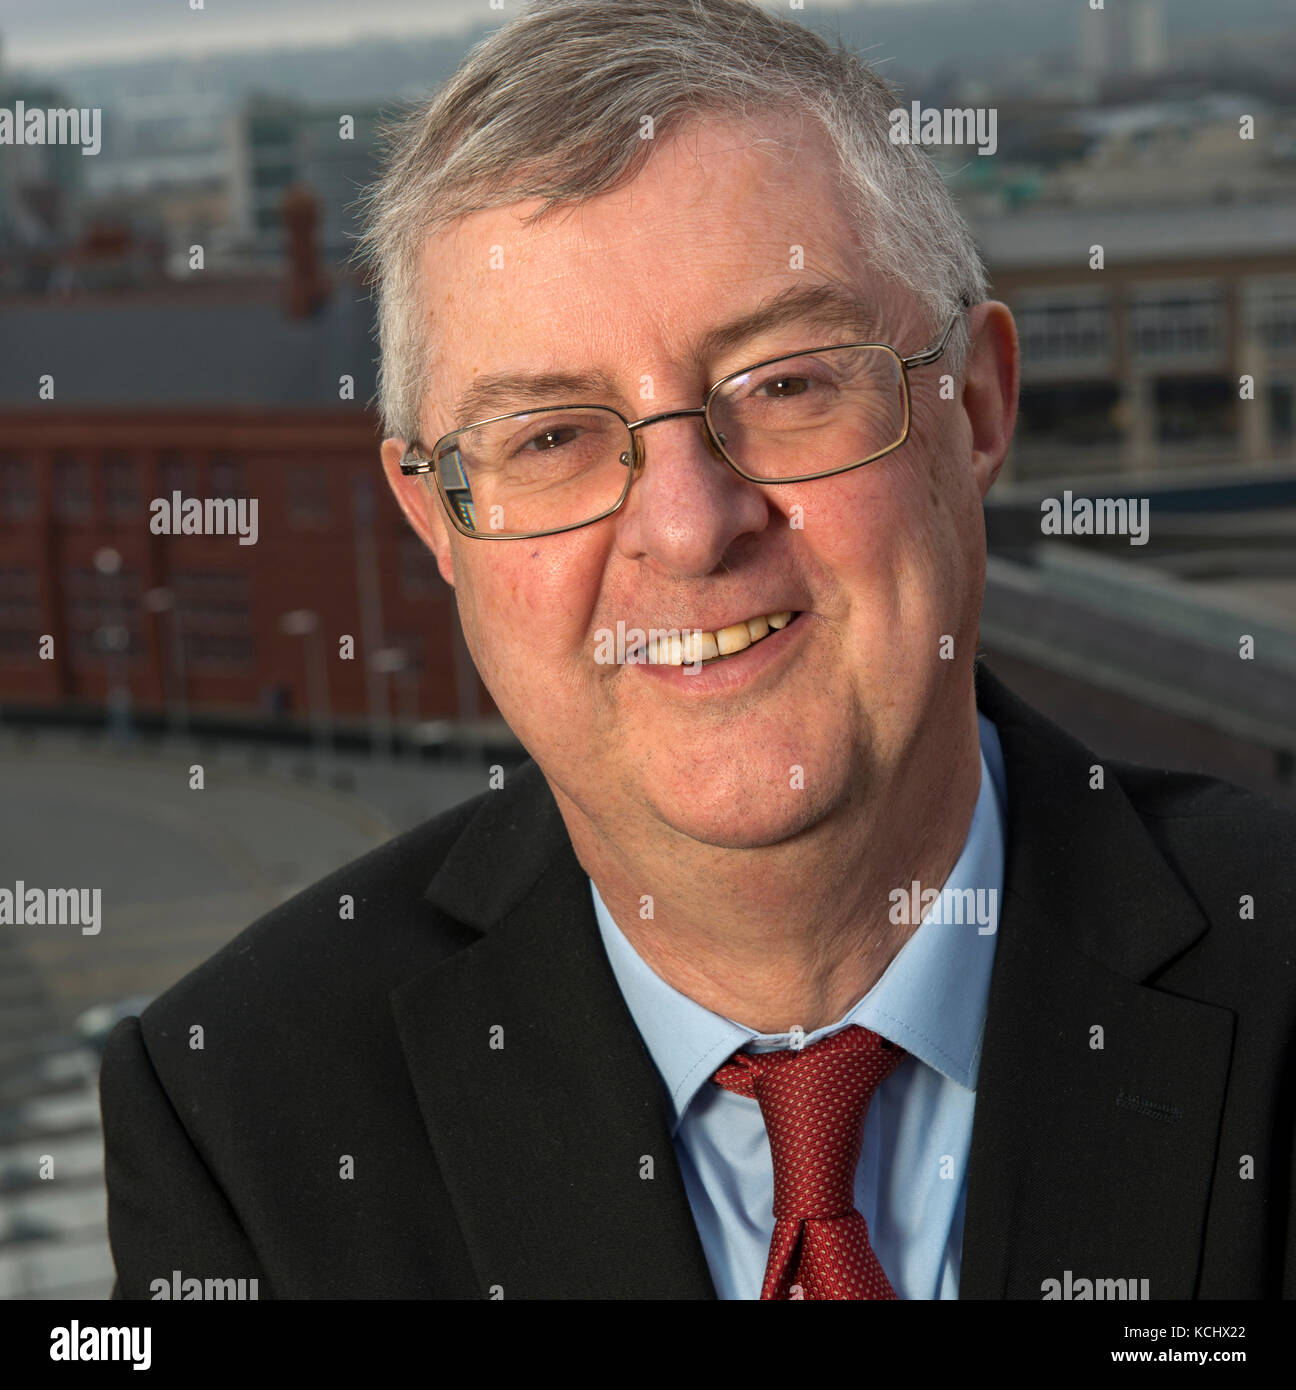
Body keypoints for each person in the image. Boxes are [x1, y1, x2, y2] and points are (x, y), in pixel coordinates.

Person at [100, 0, 1296, 1300]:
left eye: (785, 383)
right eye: (550, 436)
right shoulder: (244, 1112)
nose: (687, 524)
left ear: (977, 403)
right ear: (438, 522)